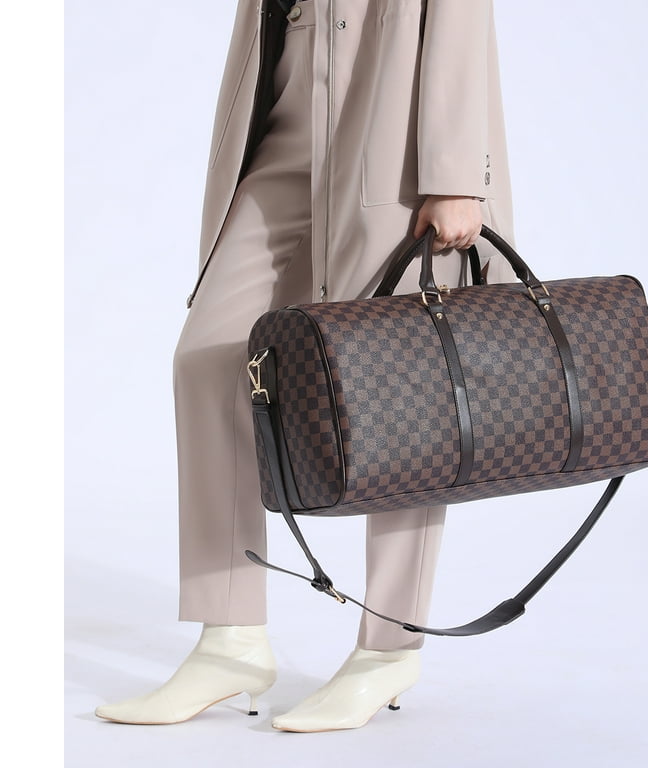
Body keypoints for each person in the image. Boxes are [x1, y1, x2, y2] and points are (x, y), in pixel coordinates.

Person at [95, 0, 516, 732]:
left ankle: (388, 648)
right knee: (209, 358)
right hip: (284, 132)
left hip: (390, 133)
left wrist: (455, 174)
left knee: (397, 392)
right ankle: (229, 639)